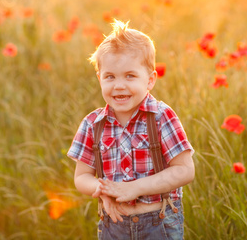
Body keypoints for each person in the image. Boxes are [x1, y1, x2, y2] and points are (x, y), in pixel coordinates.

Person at [67, 20, 195, 239]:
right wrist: (101, 190)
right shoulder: (92, 124)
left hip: (159, 221)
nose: (118, 85)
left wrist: (136, 188)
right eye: (110, 76)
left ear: (150, 80)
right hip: (113, 224)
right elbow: (82, 177)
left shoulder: (162, 117)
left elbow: (184, 170)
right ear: (100, 79)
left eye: (130, 76)